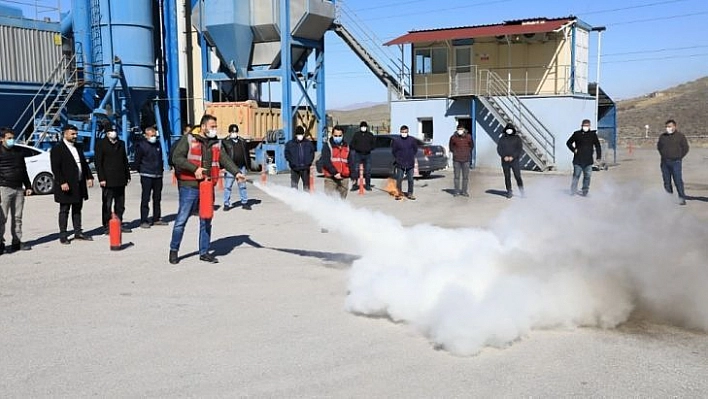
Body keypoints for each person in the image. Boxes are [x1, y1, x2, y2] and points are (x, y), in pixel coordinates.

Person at [169, 114, 246, 264]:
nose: (214, 129)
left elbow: (225, 159)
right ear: (203, 127)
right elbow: (177, 158)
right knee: (181, 220)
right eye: (212, 126)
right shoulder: (189, 139)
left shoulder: (216, 143)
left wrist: (236, 172)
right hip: (189, 186)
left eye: (215, 127)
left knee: (206, 219)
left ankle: (204, 252)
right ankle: (174, 250)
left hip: (207, 186)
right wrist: (194, 169)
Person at [50, 125, 94, 244]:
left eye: (76, 134)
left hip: (78, 183)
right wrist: (62, 182)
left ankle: (78, 231)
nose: (75, 136)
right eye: (72, 134)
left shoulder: (78, 147)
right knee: (64, 209)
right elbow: (56, 167)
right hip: (66, 185)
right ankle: (63, 235)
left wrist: (89, 177)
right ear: (65, 134)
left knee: (77, 209)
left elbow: (84, 164)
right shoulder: (58, 149)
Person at [0, 127, 33, 254]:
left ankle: (17, 242)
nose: (11, 140)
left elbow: (23, 170)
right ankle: (0, 244)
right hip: (4, 188)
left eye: (13, 138)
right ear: (2, 139)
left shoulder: (18, 152)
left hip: (18, 188)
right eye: (9, 138)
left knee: (17, 217)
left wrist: (28, 186)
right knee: (2, 218)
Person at [94, 126, 132, 233]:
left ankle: (118, 222)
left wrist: (127, 175)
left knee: (120, 204)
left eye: (115, 131)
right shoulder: (101, 144)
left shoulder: (121, 143)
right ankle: (107, 225)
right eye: (111, 131)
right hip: (107, 179)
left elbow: (124, 160)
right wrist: (101, 178)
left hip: (120, 178)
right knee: (107, 203)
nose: (113, 133)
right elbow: (98, 162)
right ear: (106, 133)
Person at [135, 126, 167, 228]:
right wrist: (141, 170)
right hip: (146, 175)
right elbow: (137, 161)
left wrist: (161, 170)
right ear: (146, 136)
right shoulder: (142, 146)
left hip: (158, 175)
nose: (153, 137)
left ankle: (156, 218)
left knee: (157, 198)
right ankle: (144, 220)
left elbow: (160, 158)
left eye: (154, 135)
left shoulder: (157, 144)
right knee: (146, 198)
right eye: (151, 136)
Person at [657, 119, 689, 205]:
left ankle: (682, 198)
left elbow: (685, 148)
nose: (668, 128)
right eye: (667, 127)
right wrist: (663, 155)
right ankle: (669, 199)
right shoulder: (663, 136)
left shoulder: (680, 136)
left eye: (670, 126)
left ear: (675, 126)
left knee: (678, 180)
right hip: (664, 162)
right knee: (667, 182)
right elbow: (659, 147)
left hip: (676, 162)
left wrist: (679, 157)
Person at [566, 119, 601, 196]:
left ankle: (585, 191)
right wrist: (573, 149)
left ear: (589, 126)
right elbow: (568, 143)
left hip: (588, 161)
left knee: (587, 177)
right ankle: (573, 191)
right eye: (584, 125)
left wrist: (599, 156)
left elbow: (597, 145)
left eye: (587, 125)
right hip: (578, 160)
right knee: (576, 176)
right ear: (581, 126)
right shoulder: (577, 134)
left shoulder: (593, 135)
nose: (585, 127)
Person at [222, 124, 250, 210]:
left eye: (235, 131)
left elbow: (246, 154)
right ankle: (226, 204)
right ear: (229, 132)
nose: (234, 133)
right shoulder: (225, 142)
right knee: (228, 186)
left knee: (242, 186)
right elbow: (222, 156)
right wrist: (222, 167)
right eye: (232, 132)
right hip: (230, 168)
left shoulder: (242, 141)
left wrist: (248, 166)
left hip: (241, 167)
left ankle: (244, 202)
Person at [321, 125, 351, 199]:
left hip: (344, 179)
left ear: (343, 135)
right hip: (331, 178)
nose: (338, 137)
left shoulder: (347, 146)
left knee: (342, 200)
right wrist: (334, 173)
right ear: (332, 135)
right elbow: (325, 161)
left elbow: (350, 161)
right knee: (329, 200)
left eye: (340, 135)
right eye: (336, 135)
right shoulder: (327, 146)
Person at [497, 123, 524, 198]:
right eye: (508, 129)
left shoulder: (517, 138)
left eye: (510, 129)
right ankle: (509, 191)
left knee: (517, 176)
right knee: (507, 176)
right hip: (505, 161)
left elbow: (519, 149)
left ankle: (522, 191)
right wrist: (504, 156)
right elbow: (499, 149)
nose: (509, 130)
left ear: (513, 130)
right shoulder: (502, 138)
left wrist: (513, 157)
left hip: (514, 161)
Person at [392, 125, 418, 201]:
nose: (404, 133)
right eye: (403, 132)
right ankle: (399, 194)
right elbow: (394, 151)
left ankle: (410, 193)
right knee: (399, 179)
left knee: (410, 179)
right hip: (400, 163)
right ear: (400, 132)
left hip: (410, 163)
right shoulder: (397, 141)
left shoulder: (412, 140)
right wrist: (398, 158)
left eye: (405, 132)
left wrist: (410, 155)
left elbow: (415, 149)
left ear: (408, 132)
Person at [284, 126, 315, 191]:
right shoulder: (290, 144)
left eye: (301, 134)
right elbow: (287, 154)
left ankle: (306, 199)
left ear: (303, 134)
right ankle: (295, 200)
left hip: (305, 169)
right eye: (298, 134)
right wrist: (291, 163)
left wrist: (309, 162)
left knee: (306, 187)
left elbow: (312, 153)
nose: (300, 136)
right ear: (296, 134)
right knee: (294, 187)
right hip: (295, 169)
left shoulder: (308, 143)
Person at [448, 124, 474, 197]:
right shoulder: (453, 137)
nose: (460, 130)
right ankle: (456, 192)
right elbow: (451, 146)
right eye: (458, 129)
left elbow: (472, 146)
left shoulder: (468, 137)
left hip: (466, 160)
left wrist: (467, 152)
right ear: (457, 130)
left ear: (464, 130)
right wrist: (455, 152)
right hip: (456, 160)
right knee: (456, 177)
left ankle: (464, 191)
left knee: (465, 177)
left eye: (461, 129)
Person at [349, 120, 375, 191]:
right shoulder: (356, 135)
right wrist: (357, 148)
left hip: (367, 155)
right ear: (360, 127)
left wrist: (369, 148)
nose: (363, 128)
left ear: (366, 127)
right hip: (358, 154)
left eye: (364, 126)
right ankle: (355, 185)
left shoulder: (370, 135)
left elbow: (373, 144)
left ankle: (368, 185)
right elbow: (352, 144)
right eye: (362, 126)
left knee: (368, 171)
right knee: (356, 170)